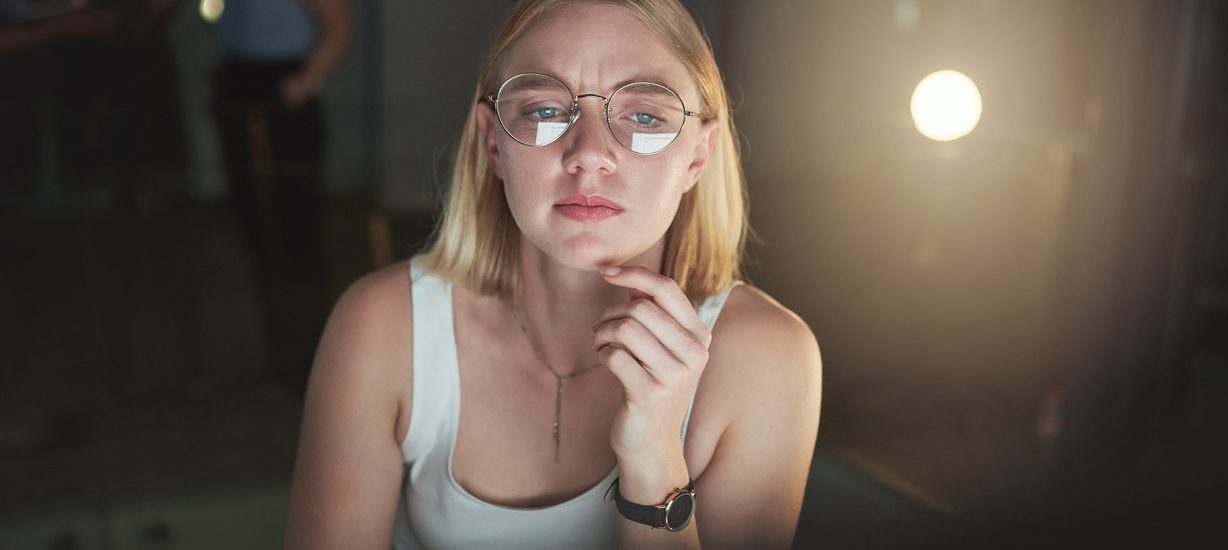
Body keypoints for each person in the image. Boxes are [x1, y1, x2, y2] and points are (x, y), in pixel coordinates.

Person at [284, 1, 821, 548]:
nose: (589, 155)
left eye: (644, 116)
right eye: (544, 110)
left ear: (698, 158)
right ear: (494, 143)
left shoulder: (767, 357)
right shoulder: (384, 325)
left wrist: (654, 456)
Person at [210, 0, 352, 397]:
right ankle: (281, 352)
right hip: (240, 84)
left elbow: (338, 27)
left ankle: (312, 357)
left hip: (281, 93)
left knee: (295, 229)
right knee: (257, 227)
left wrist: (304, 82)